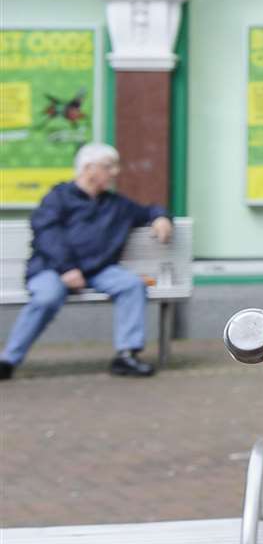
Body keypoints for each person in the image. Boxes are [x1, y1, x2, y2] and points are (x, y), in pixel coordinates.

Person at [0, 143, 172, 380]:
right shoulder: (57, 198)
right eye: (109, 167)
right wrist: (67, 268)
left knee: (131, 285)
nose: (115, 172)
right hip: (52, 268)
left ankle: (126, 355)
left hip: (98, 270)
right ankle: (8, 359)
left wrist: (161, 217)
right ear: (89, 168)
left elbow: (149, 210)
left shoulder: (116, 204)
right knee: (47, 297)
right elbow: (47, 235)